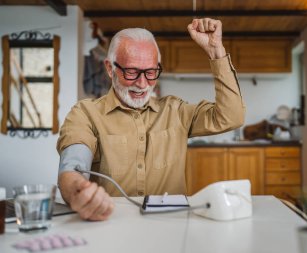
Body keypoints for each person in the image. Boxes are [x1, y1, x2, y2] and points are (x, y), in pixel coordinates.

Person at [57, 18, 245, 221]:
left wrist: (216, 51)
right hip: (108, 224)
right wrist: (78, 191)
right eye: (131, 72)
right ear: (110, 68)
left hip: (171, 223)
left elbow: (232, 117)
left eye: (151, 72)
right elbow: (73, 166)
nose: (142, 83)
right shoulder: (85, 113)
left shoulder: (176, 111)